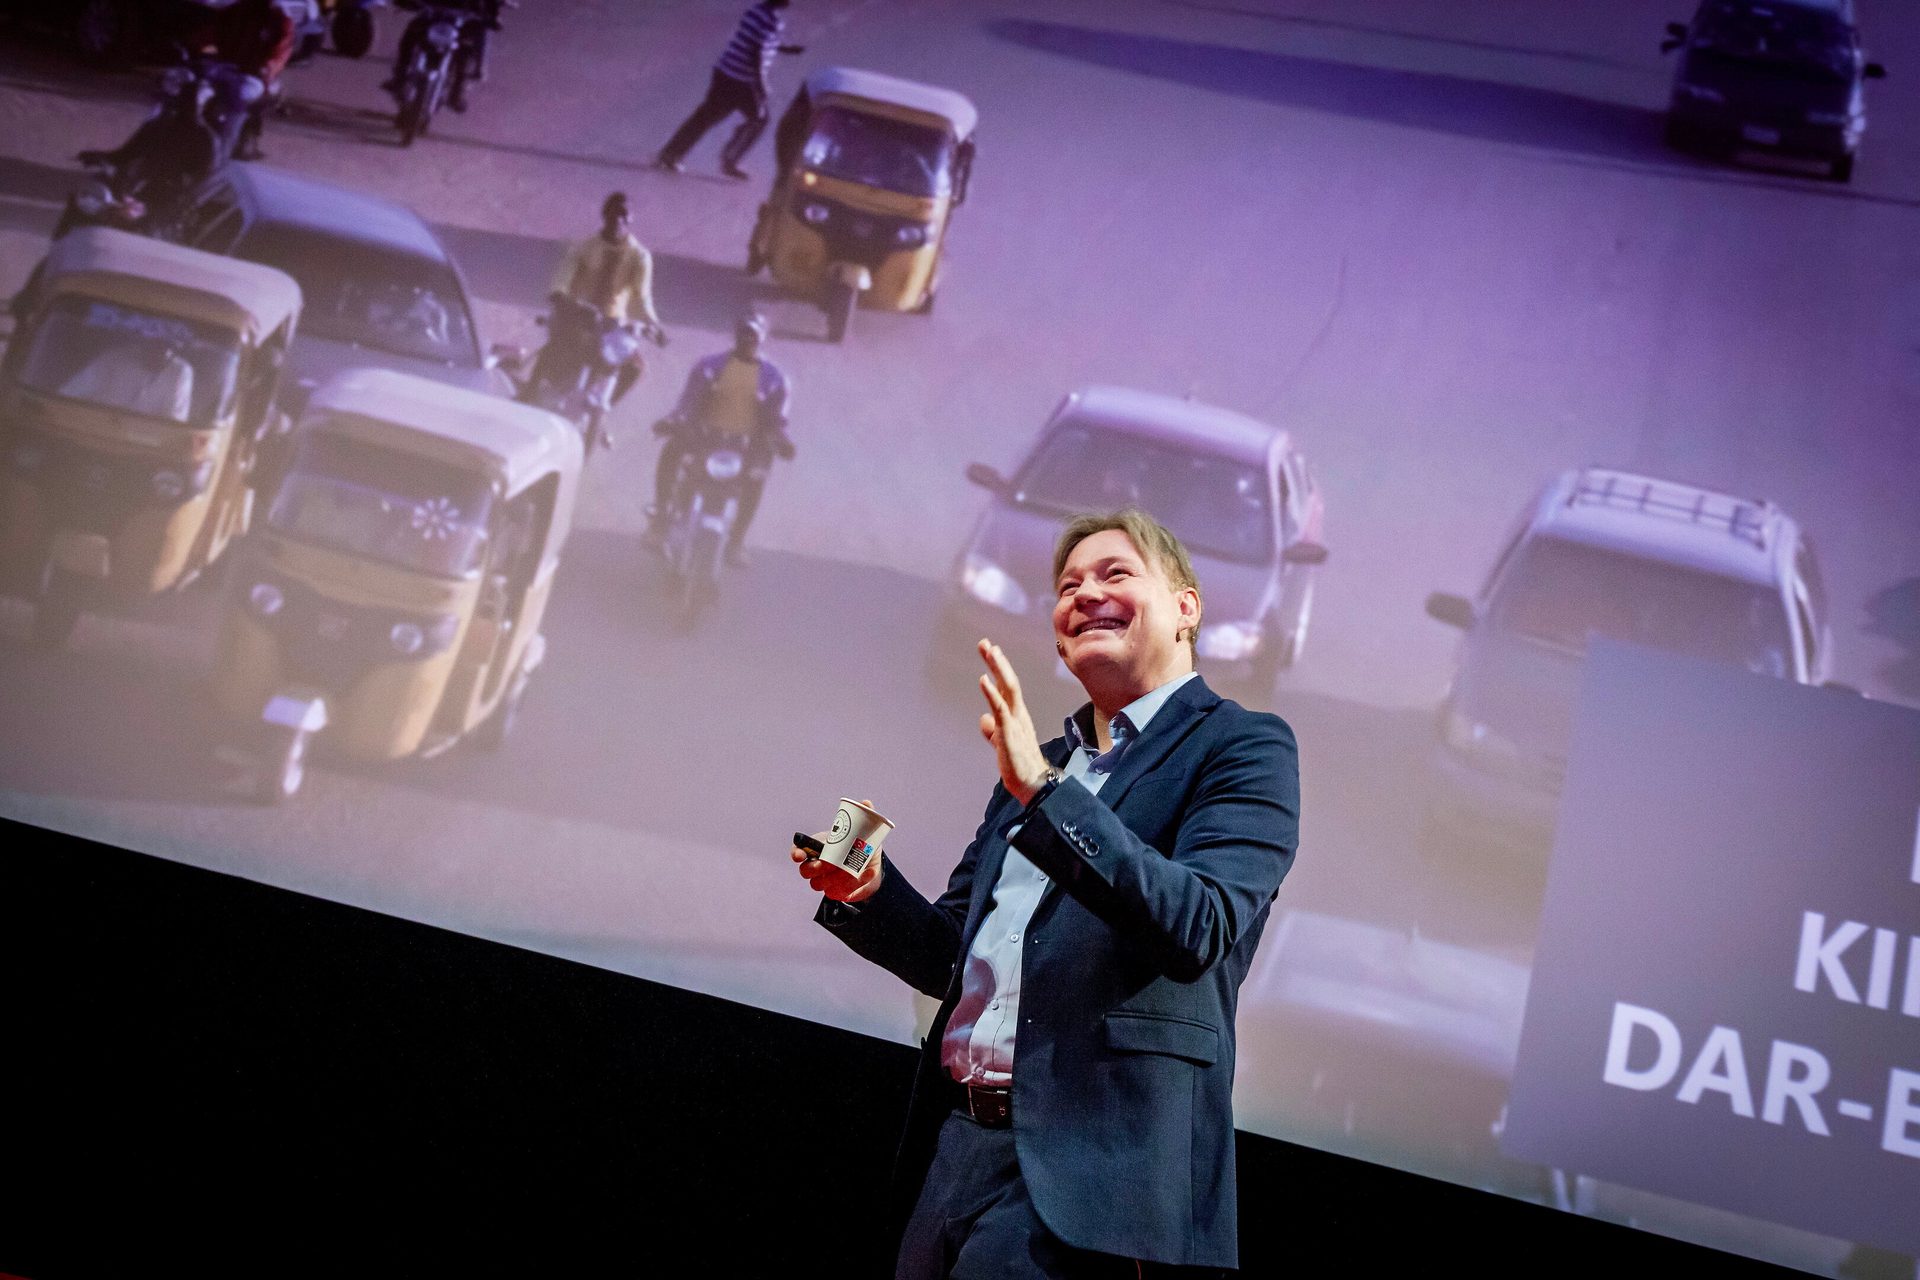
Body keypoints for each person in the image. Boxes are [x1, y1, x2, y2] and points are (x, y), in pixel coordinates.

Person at [791, 509, 1301, 1278]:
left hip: (1089, 1177)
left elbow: (1198, 923)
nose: (1085, 593)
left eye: (1114, 574)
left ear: (1187, 608)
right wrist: (868, 892)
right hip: (957, 1148)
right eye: (1068, 586)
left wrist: (1042, 789)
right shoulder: (1043, 767)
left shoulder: (1243, 747)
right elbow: (953, 955)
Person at [644, 311, 792, 567]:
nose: (748, 340)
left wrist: (782, 441)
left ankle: (736, 542)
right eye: (744, 334)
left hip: (746, 447)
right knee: (672, 449)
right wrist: (674, 421)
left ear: (762, 338)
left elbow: (777, 421)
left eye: (754, 336)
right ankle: (661, 519)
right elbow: (688, 402)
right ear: (736, 336)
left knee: (757, 478)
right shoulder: (709, 366)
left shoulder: (776, 379)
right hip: (706, 438)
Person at [532, 192, 666, 428]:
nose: (618, 221)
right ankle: (529, 396)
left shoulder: (640, 257)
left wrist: (654, 325)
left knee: (634, 367)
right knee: (553, 350)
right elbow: (563, 276)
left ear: (631, 218)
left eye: (624, 215)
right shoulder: (584, 248)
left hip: (612, 324)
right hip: (577, 315)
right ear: (604, 215)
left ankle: (603, 410)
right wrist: (560, 296)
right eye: (614, 214)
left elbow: (642, 297)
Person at [653, 0, 805, 180]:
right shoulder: (772, 20)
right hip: (743, 81)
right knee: (759, 119)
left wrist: (785, 49)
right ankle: (730, 160)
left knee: (705, 117)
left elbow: (757, 40)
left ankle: (670, 154)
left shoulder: (756, 10)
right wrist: (761, 84)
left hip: (724, 71)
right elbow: (757, 53)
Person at [188, 0, 296, 161]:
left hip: (250, 75)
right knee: (188, 87)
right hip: (221, 68)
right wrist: (193, 47)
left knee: (239, 98)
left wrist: (268, 68)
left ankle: (223, 152)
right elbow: (207, 36)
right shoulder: (233, 12)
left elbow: (280, 53)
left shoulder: (280, 22)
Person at [383, 0, 504, 114]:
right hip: (434, 13)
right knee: (412, 34)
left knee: (468, 48)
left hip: (465, 19)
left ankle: (457, 91)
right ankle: (400, 76)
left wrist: (494, 13)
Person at [60, 343, 196, 423]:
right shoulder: (115, 358)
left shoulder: (180, 372)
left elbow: (174, 422)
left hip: (140, 445)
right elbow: (70, 392)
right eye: (157, 346)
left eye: (169, 349)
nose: (162, 353)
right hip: (95, 429)